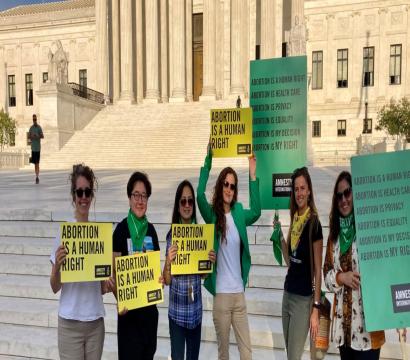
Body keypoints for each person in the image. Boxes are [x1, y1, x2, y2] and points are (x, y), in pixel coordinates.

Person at [197, 146, 261, 360]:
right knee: (223, 354)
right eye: (226, 184)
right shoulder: (212, 215)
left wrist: (252, 176)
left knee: (246, 353)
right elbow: (198, 195)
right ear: (220, 185)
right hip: (222, 297)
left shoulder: (240, 212)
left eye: (232, 186)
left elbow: (258, 212)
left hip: (238, 296)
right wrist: (208, 160)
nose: (229, 189)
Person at [323, 171, 385, 359]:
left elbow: (384, 269)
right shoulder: (334, 236)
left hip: (368, 330)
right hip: (344, 330)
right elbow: (326, 274)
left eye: (347, 192)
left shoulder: (369, 230)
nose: (344, 199)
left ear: (355, 194)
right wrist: (341, 277)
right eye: (339, 195)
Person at [50, 164, 106, 360]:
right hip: (69, 323)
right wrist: (57, 266)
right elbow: (54, 286)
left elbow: (101, 287)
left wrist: (111, 284)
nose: (84, 197)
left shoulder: (100, 237)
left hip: (95, 323)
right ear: (73, 196)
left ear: (92, 196)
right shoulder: (62, 235)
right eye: (79, 192)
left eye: (87, 192)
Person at [163, 180, 216, 360]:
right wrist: (168, 262)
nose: (187, 205)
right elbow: (167, 280)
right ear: (178, 206)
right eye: (183, 201)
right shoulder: (172, 236)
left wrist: (210, 263)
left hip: (195, 313)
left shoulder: (201, 235)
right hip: (177, 313)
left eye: (190, 201)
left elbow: (202, 274)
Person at [112, 171, 160, 360]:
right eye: (136, 195)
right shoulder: (121, 231)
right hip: (129, 318)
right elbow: (114, 273)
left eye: (144, 196)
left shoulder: (152, 231)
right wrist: (119, 299)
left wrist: (159, 280)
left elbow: (155, 269)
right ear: (129, 197)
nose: (140, 201)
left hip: (149, 316)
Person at [280, 166, 323, 360]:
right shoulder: (295, 218)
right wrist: (280, 238)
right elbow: (290, 261)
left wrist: (316, 307)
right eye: (296, 189)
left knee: (294, 357)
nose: (299, 193)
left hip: (302, 301)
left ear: (309, 190)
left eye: (302, 188)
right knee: (290, 354)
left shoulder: (314, 223)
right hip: (287, 295)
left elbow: (317, 270)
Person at [28, 114, 44, 184]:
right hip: (33, 148)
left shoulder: (39, 127)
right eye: (33, 119)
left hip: (37, 148)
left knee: (37, 163)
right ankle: (36, 175)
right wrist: (31, 136)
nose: (34, 121)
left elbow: (42, 136)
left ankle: (37, 176)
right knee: (35, 163)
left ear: (36, 119)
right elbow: (28, 137)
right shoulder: (31, 128)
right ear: (32, 120)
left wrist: (38, 136)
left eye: (35, 119)